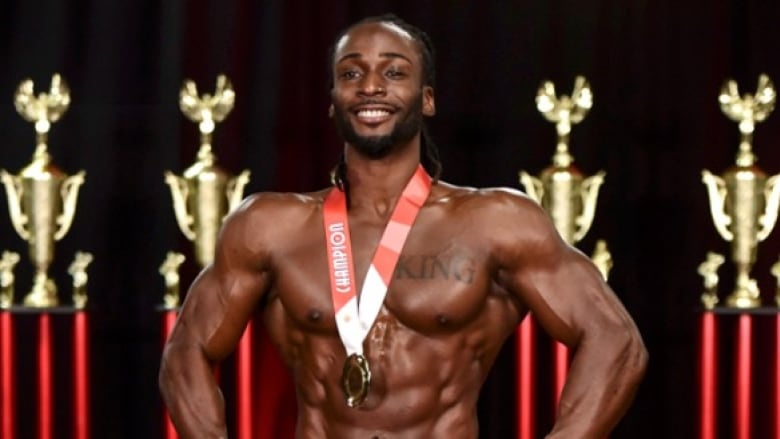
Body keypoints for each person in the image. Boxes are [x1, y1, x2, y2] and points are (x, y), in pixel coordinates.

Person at [159, 13, 648, 439]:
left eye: (394, 72)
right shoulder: (268, 226)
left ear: (426, 98)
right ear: (333, 100)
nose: (371, 86)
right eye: (352, 73)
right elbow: (186, 352)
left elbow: (615, 340)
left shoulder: (494, 223)